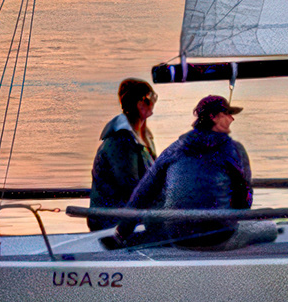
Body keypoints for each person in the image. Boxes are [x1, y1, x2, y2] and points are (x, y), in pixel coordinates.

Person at [151, 92, 256, 252]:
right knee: (270, 228)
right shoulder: (234, 149)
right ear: (213, 117)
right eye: (227, 114)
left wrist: (122, 232)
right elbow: (244, 200)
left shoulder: (173, 149)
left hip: (177, 237)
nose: (231, 119)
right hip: (218, 238)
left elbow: (143, 192)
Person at [87, 77, 162, 243]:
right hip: (114, 223)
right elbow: (132, 186)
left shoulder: (143, 136)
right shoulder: (121, 141)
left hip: (134, 217)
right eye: (150, 99)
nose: (153, 104)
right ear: (140, 104)